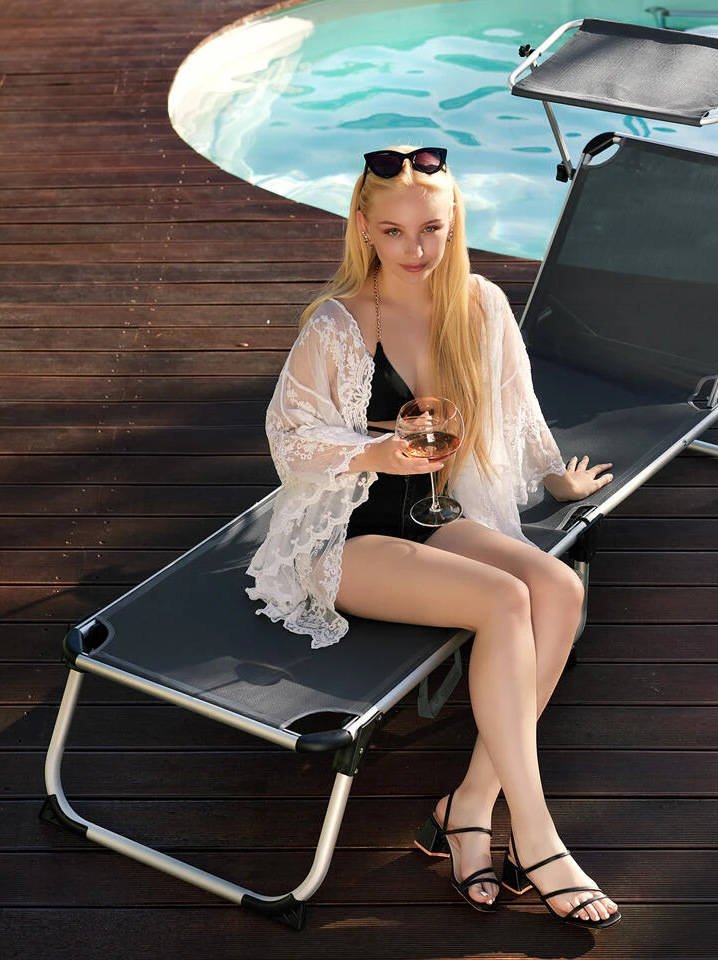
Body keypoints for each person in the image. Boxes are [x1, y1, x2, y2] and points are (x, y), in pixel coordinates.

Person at [246, 145, 619, 929]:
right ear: (363, 227)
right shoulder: (337, 324)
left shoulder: (479, 303)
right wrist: (375, 453)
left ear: (455, 225)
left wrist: (559, 481)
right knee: (503, 600)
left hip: (431, 516)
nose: (415, 250)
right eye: (394, 231)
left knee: (558, 587)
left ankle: (469, 805)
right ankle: (539, 837)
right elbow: (289, 441)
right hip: (347, 537)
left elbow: (517, 408)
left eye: (432, 230)